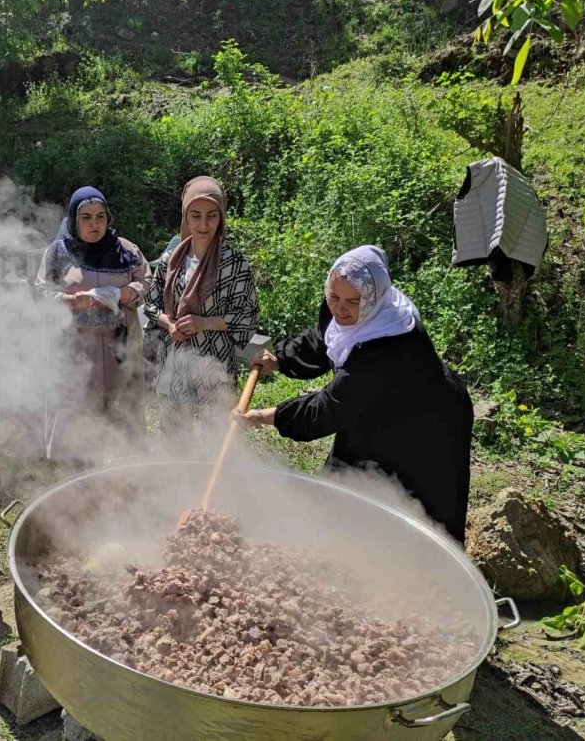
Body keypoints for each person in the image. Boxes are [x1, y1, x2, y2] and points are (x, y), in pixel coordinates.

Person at [232, 245, 473, 542]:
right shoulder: (348, 311)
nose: (340, 308)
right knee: (345, 489)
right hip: (374, 408)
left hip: (428, 422)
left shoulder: (387, 343)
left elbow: (326, 410)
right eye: (333, 297)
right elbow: (324, 337)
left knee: (417, 515)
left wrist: (261, 417)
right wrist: (280, 359)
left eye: (352, 301)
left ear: (373, 298)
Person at [34, 186, 152, 455]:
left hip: (120, 350)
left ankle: (124, 471)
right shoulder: (57, 253)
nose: (94, 224)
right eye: (86, 217)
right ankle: (79, 472)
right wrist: (68, 302)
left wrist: (120, 294)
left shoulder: (128, 250)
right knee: (78, 413)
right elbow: (41, 291)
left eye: (100, 216)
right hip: (77, 350)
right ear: (74, 220)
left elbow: (146, 282)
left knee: (122, 410)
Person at [143, 176, 258, 432]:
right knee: (174, 438)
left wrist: (203, 323)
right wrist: (169, 324)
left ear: (222, 217)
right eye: (195, 215)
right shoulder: (170, 260)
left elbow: (247, 317)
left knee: (214, 437)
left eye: (211, 216)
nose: (203, 224)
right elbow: (151, 306)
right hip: (176, 362)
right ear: (185, 216)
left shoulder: (235, 265)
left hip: (214, 364)